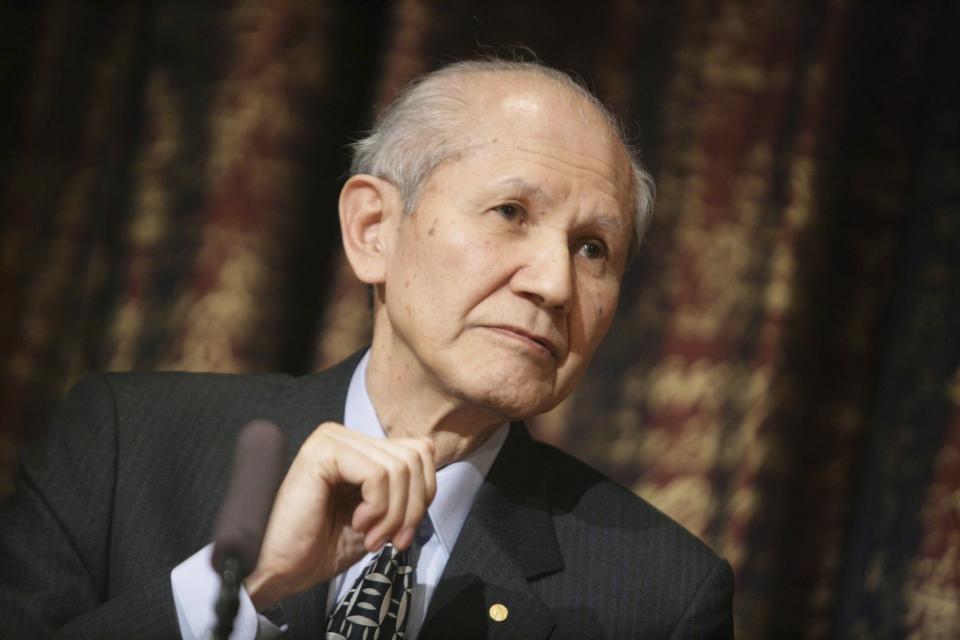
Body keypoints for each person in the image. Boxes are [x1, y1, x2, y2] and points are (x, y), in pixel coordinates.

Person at [0, 59, 733, 639]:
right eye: (511, 212)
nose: (554, 284)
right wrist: (242, 593)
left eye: (593, 249)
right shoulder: (126, 444)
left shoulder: (661, 595)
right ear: (374, 229)